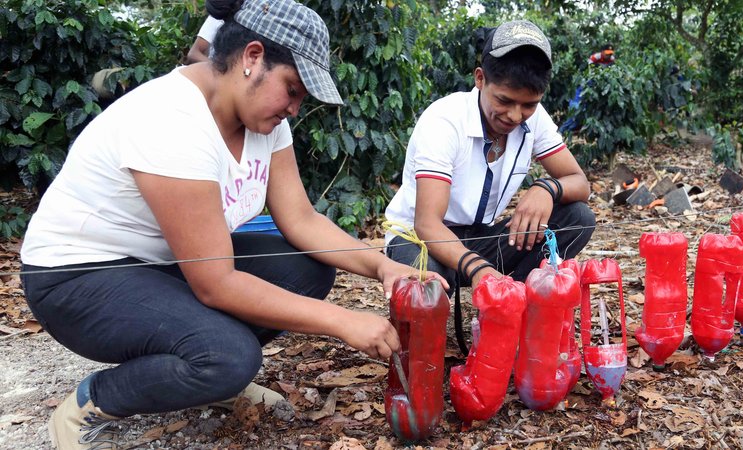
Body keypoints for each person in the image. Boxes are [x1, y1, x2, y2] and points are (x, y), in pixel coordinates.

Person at [20, 1, 445, 449]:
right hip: (77, 278)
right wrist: (344, 322)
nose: (295, 109)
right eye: (293, 90)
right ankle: (92, 402)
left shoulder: (263, 121)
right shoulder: (172, 120)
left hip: (160, 264)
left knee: (306, 269)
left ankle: (212, 370)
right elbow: (215, 284)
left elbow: (300, 219)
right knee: (227, 357)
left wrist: (382, 267)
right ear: (253, 57)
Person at [384, 20, 595, 295]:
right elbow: (426, 224)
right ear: (480, 79)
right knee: (427, 293)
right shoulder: (445, 120)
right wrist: (479, 269)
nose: (515, 116)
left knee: (578, 216)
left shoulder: (536, 118)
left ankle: (516, 303)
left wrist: (546, 188)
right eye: (504, 101)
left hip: (481, 238)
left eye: (529, 105)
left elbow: (580, 182)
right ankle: (488, 295)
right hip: (419, 239)